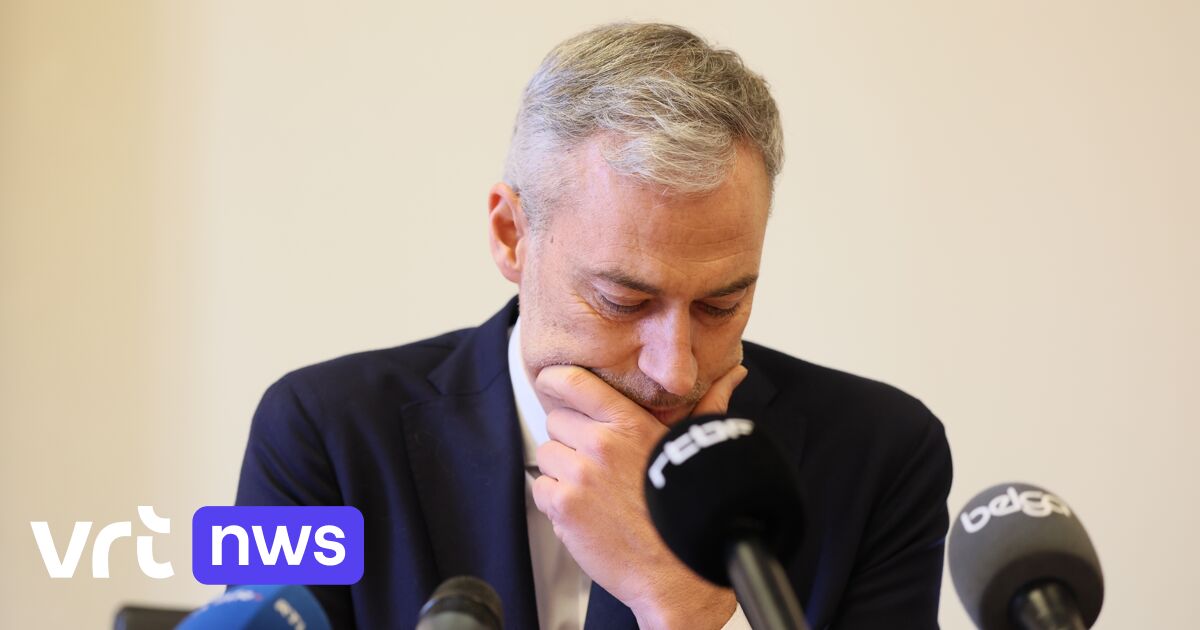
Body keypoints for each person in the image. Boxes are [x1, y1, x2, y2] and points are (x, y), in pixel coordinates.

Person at [235, 22, 953, 629]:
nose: (675, 369)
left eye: (719, 306)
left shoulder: (881, 455)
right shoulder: (311, 430)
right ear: (512, 235)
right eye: (622, 302)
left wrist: (681, 605)